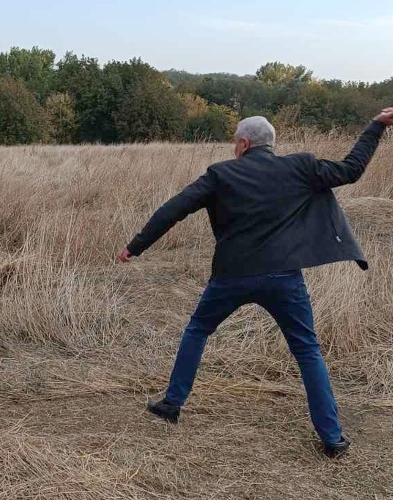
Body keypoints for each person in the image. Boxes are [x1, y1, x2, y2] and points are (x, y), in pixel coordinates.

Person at [118, 108, 393, 458]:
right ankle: (332, 438)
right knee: (307, 351)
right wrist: (376, 126)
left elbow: (175, 208)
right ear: (270, 144)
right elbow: (351, 169)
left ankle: (172, 404)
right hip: (284, 278)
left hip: (231, 277)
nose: (235, 147)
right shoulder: (301, 167)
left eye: (236, 142)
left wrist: (135, 246)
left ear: (244, 143)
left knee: (198, 330)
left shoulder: (220, 174)